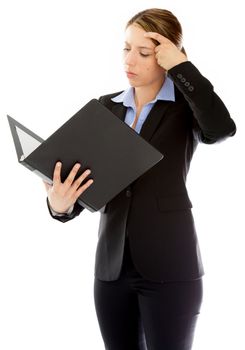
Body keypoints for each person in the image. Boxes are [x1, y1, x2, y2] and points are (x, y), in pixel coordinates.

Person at [43, 8, 236, 350]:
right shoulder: (105, 108)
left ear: (166, 55)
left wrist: (181, 67)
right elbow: (85, 183)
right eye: (126, 48)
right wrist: (60, 206)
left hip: (171, 268)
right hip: (111, 271)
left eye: (144, 52)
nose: (130, 60)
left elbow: (221, 128)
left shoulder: (186, 109)